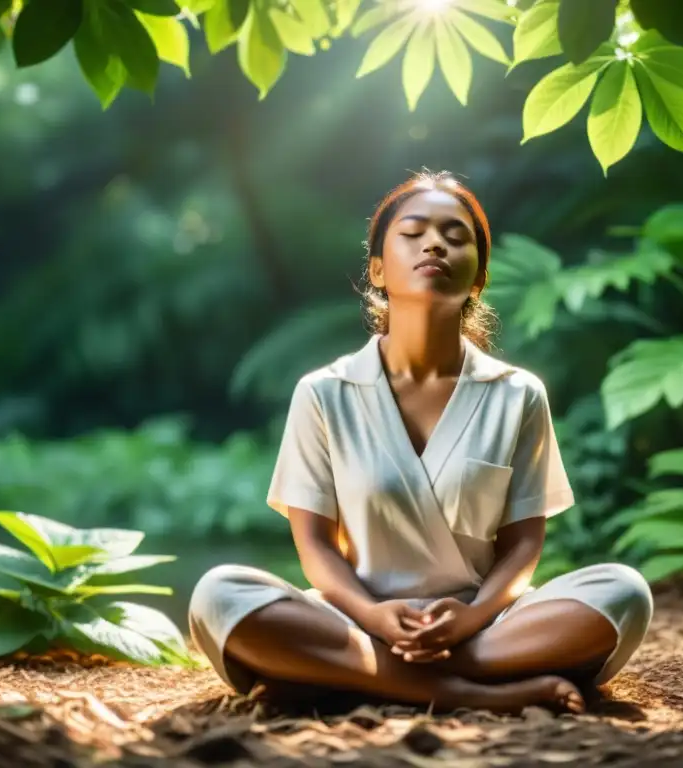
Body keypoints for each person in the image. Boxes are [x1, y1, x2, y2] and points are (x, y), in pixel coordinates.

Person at [189, 171, 653, 715]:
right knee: (218, 595)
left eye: (456, 236)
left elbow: (524, 546)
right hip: (356, 619)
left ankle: (339, 675)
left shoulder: (518, 395)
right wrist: (374, 617)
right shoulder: (324, 392)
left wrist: (473, 618)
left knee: (623, 592)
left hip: (485, 623)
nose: (435, 243)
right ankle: (466, 691)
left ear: (478, 277)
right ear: (378, 269)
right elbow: (314, 546)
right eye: (414, 232)